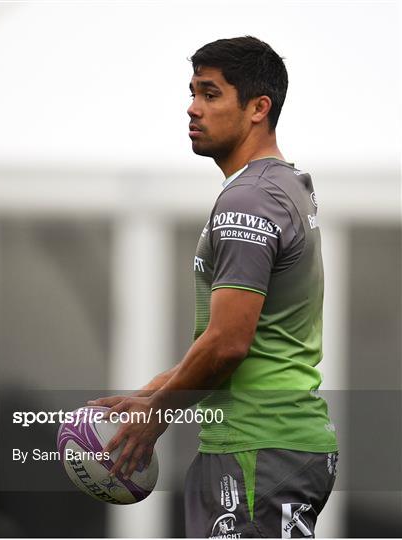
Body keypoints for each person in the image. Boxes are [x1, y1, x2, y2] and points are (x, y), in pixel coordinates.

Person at [89, 36, 338, 538]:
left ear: (257, 108)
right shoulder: (283, 185)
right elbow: (249, 338)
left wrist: (156, 415)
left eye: (210, 94)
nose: (192, 108)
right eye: (193, 92)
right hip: (274, 447)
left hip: (255, 449)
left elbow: (228, 343)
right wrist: (147, 394)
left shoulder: (249, 199)